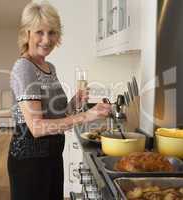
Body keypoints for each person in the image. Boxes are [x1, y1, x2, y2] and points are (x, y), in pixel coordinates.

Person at [8, 2, 111, 200]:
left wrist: (73, 103)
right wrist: (86, 116)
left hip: (52, 157)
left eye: (52, 32)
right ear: (27, 33)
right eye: (39, 32)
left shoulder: (49, 67)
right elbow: (37, 128)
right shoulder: (24, 68)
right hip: (30, 163)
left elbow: (57, 114)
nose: (47, 40)